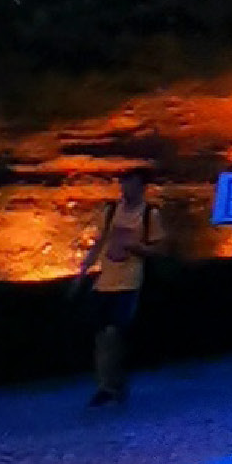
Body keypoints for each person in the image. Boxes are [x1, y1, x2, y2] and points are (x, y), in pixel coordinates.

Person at [81, 171, 154, 411]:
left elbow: (159, 249)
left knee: (114, 334)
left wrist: (136, 248)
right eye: (124, 185)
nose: (126, 190)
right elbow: (100, 242)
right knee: (101, 338)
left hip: (129, 283)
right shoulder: (111, 211)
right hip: (104, 283)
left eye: (131, 185)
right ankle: (107, 386)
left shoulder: (150, 215)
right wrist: (83, 270)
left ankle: (115, 384)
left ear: (141, 187)